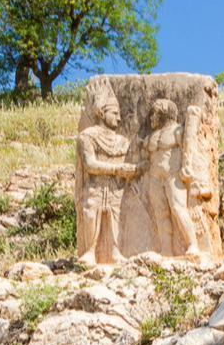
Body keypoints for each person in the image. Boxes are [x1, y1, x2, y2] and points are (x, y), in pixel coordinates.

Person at [76, 86, 138, 264]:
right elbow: (90, 165)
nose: (119, 118)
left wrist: (136, 169)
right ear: (102, 113)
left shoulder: (122, 141)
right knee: (91, 215)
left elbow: (130, 163)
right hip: (94, 186)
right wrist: (116, 170)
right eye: (115, 113)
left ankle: (115, 251)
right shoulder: (87, 136)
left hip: (116, 188)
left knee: (116, 217)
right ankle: (89, 252)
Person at [143, 98, 206, 257]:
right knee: (160, 213)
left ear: (164, 114)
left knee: (178, 209)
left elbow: (190, 148)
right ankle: (166, 249)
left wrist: (189, 168)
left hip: (173, 175)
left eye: (155, 114)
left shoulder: (178, 131)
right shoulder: (153, 135)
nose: (151, 118)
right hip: (155, 177)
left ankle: (193, 244)